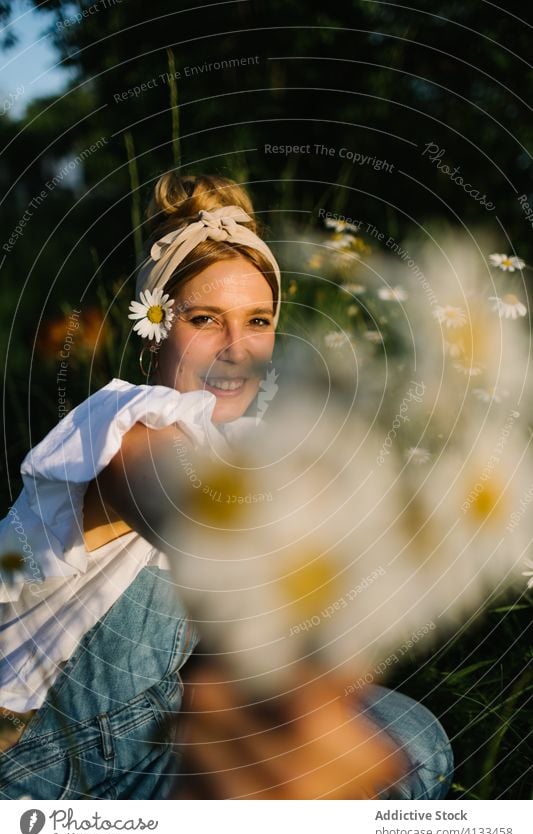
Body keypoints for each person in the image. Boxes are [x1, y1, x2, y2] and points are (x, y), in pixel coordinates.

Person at [0, 173, 454, 800]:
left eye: (259, 321)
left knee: (414, 740)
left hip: (146, 734)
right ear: (155, 327)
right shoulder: (120, 424)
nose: (238, 348)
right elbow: (182, 507)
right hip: (40, 767)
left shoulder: (243, 444)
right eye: (206, 319)